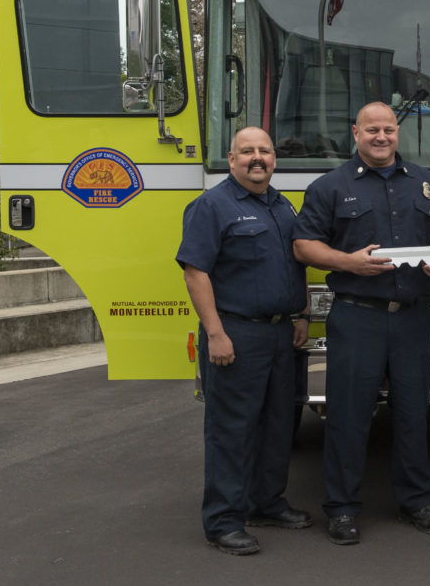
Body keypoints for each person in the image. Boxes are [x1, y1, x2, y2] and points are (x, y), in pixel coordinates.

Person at [292, 102, 430, 545]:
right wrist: (347, 262)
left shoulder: (426, 184)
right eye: (372, 130)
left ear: (397, 134)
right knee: (348, 418)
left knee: (413, 416)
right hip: (357, 317)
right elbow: (305, 246)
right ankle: (343, 509)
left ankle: (417, 503)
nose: (381, 137)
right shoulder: (329, 186)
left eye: (388, 129)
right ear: (356, 133)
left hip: (412, 320)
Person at [176, 126, 312, 555]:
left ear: (275, 159)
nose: (258, 158)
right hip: (236, 332)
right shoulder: (211, 206)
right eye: (247, 151)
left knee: (277, 426)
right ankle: (223, 521)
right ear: (231, 159)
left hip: (278, 332)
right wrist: (215, 333)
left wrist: (303, 314)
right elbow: (195, 272)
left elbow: (297, 263)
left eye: (265, 151)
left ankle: (266, 503)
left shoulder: (282, 206)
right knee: (232, 430)